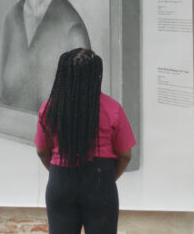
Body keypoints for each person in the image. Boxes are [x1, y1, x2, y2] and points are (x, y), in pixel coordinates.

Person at [34, 49, 135, 234]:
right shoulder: (113, 109)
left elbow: (42, 151)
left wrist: (59, 173)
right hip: (100, 182)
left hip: (60, 181)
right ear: (96, 75)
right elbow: (125, 155)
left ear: (62, 75)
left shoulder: (49, 108)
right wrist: (107, 179)